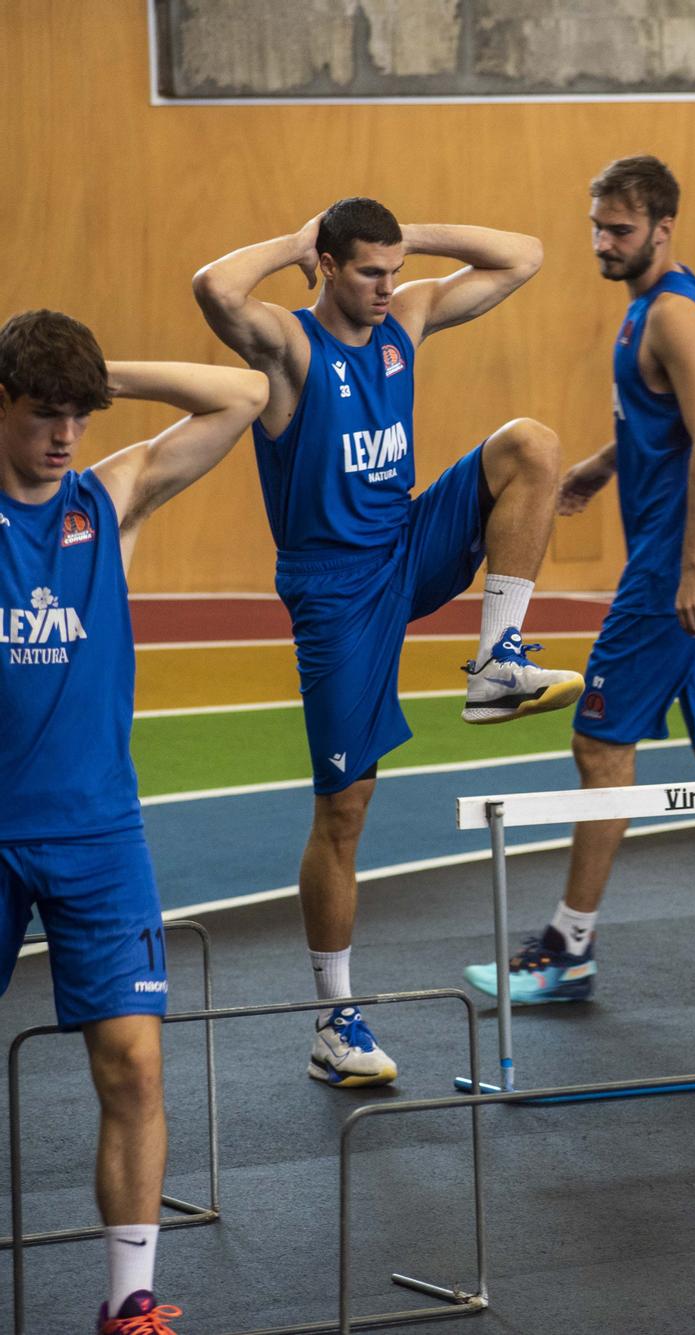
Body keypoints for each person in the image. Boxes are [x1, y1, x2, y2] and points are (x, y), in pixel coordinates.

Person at [194, 200, 581, 1088]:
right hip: (333, 588)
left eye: (394, 270)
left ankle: (497, 661)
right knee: (346, 807)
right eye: (368, 271)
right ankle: (334, 1020)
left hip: (405, 542)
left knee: (532, 444)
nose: (388, 288)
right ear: (327, 266)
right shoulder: (291, 348)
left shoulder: (404, 317)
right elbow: (214, 287)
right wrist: (296, 237)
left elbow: (523, 251)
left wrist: (412, 236)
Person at [466, 156, 695, 1004]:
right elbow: (665, 428)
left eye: (619, 229)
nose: (602, 242)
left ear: (663, 228)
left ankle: (568, 948)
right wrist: (599, 466)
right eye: (596, 226)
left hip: (676, 573)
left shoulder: (671, 315)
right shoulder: (652, 308)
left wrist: (692, 561)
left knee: (600, 742)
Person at [0, 309, 268, 1333]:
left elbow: (242, 394)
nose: (63, 435)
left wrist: (102, 375)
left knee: (136, 1062)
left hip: (100, 834)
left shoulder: (105, 501)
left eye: (80, 413)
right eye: (41, 414)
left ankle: (130, 1303)